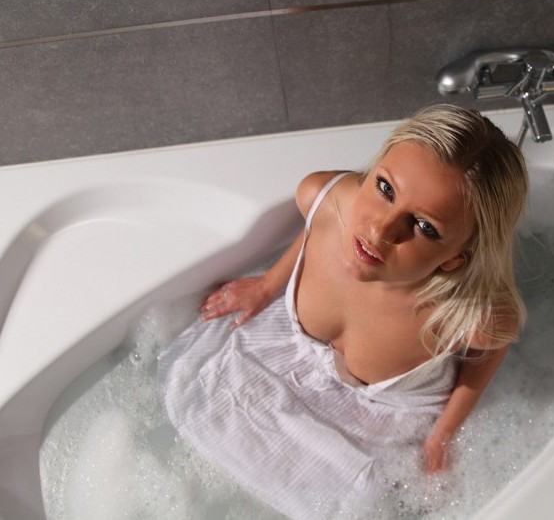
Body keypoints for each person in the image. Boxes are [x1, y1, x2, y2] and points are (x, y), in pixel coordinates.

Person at [158, 104, 528, 517]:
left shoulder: (468, 314)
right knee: (190, 392)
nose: (380, 230)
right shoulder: (323, 198)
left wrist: (443, 432)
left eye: (425, 227)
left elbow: (491, 350)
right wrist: (267, 285)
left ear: (456, 259)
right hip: (290, 356)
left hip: (386, 413)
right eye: (385, 188)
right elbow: (319, 224)